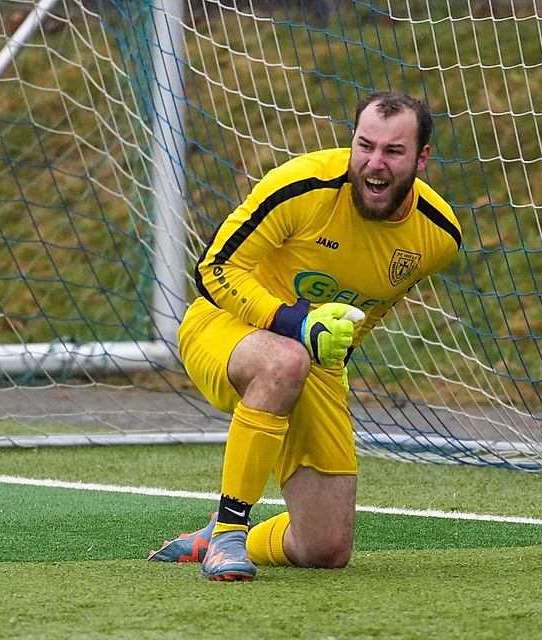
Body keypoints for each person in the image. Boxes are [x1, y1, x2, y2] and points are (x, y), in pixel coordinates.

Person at [148, 90, 462, 581]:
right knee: (285, 360)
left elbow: (373, 309)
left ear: (421, 158)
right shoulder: (301, 185)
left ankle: (217, 536)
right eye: (365, 145)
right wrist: (296, 323)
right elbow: (213, 270)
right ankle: (231, 532)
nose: (374, 163)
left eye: (393, 152)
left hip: (312, 356)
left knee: (325, 548)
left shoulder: (438, 238)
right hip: (224, 326)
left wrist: (333, 351)